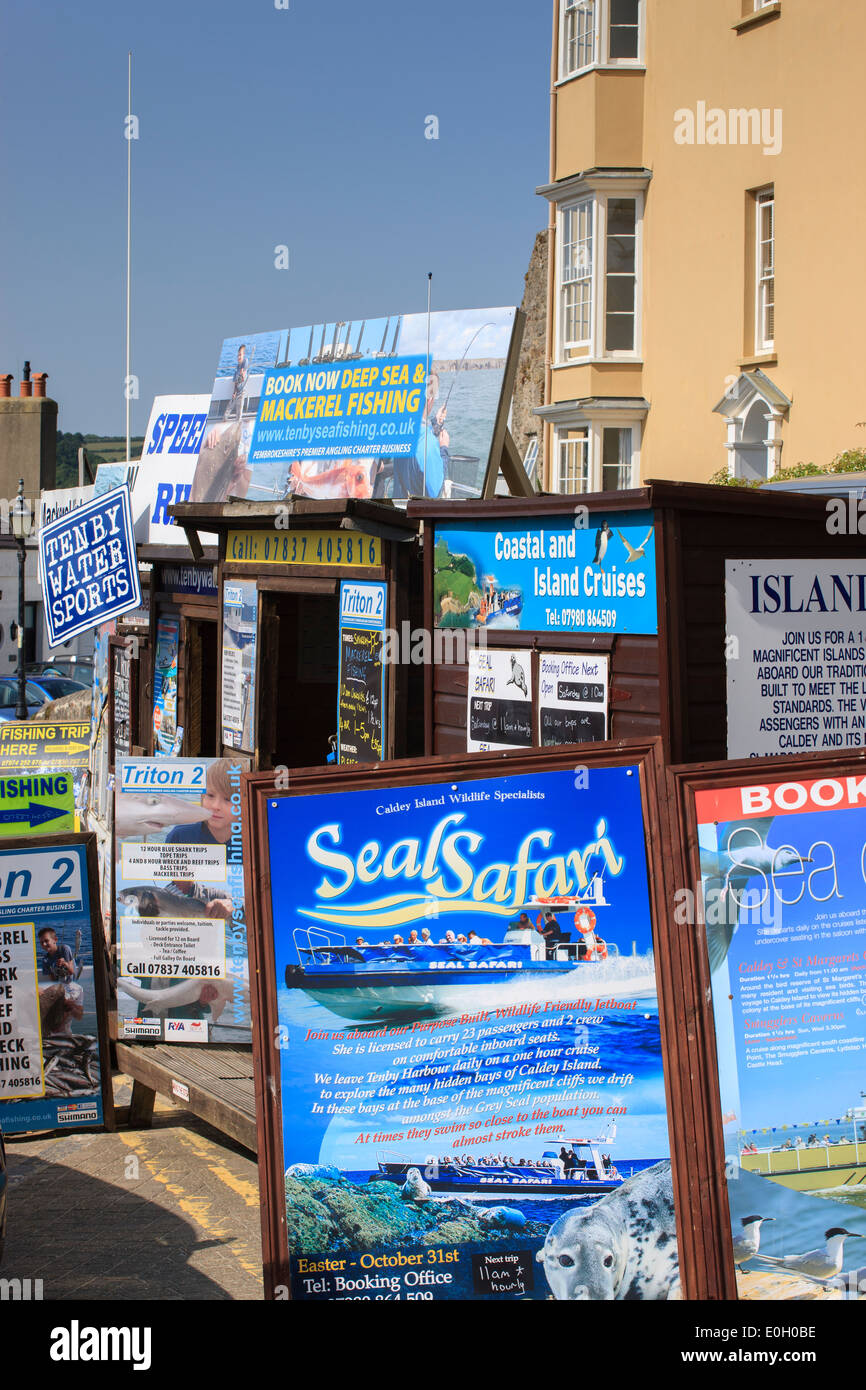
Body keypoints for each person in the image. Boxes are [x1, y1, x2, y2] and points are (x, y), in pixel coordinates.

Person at [392, 372, 450, 499]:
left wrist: (435, 422)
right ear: (429, 399)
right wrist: (443, 448)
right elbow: (436, 491)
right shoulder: (428, 446)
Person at [225, 343, 250, 420]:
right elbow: (236, 381)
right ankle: (224, 420)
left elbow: (243, 376)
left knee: (239, 414)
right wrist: (234, 392)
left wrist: (242, 375)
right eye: (238, 355)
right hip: (236, 392)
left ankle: (238, 427)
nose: (239, 357)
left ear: (243, 355)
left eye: (240, 355)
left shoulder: (245, 361)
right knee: (227, 410)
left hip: (241, 393)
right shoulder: (237, 368)